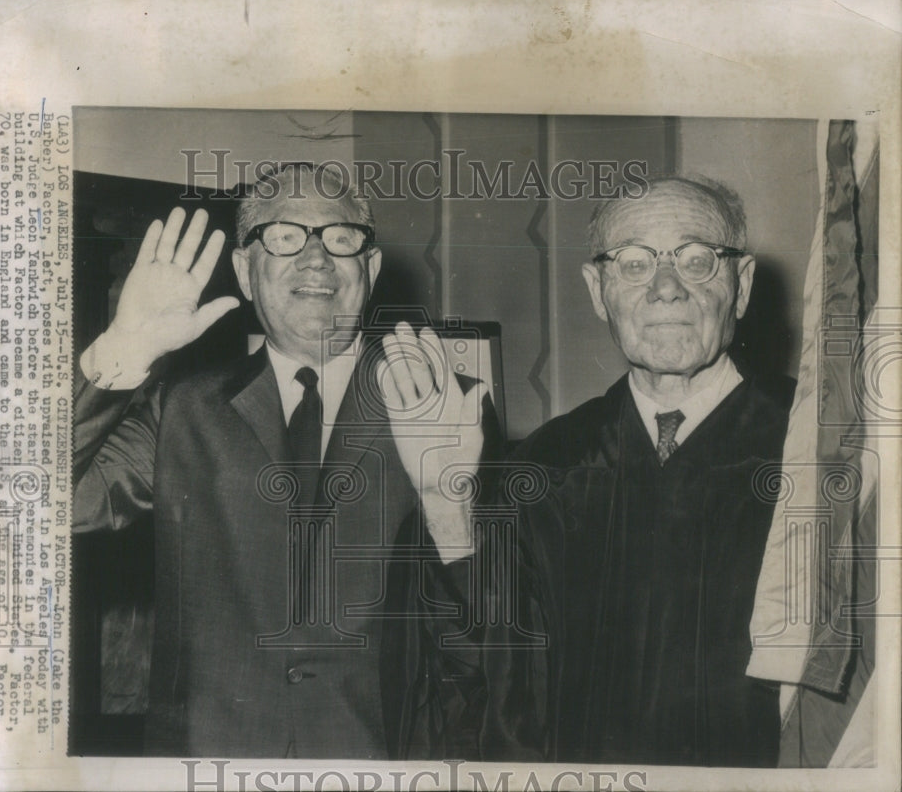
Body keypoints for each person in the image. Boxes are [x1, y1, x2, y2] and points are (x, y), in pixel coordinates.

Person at [73, 164, 494, 758]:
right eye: (284, 235)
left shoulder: (448, 405)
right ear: (246, 271)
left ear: (369, 269)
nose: (316, 258)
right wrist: (123, 350)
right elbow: (41, 503)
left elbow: (491, 632)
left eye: (341, 237)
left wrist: (448, 505)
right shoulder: (183, 407)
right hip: (211, 761)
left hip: (379, 762)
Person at [484, 176, 795, 766]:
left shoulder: (811, 452)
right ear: (598, 290)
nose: (666, 290)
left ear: (743, 284)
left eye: (698, 260)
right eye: (633, 264)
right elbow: (512, 696)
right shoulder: (546, 467)